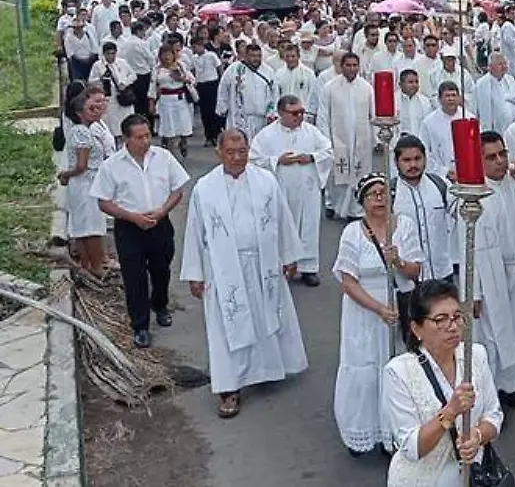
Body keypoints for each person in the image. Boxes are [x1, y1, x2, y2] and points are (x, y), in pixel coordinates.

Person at [180, 129, 308, 419]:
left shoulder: (265, 180)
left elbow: (282, 219)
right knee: (228, 326)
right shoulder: (205, 188)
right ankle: (229, 388)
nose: (237, 158)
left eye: (242, 151)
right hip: (224, 270)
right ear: (219, 152)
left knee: (266, 316)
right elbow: (194, 233)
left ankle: (267, 369)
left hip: (263, 264)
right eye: (231, 152)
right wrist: (195, 273)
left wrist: (289, 256)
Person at [381, 279, 504, 487]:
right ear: (417, 329)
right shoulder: (398, 372)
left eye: (457, 317)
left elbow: (494, 415)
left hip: (473, 476)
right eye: (440, 320)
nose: (452, 326)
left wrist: (477, 435)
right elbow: (412, 448)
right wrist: (450, 412)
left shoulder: (476, 355)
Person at [333, 174, 424, 457]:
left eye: (384, 193)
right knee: (363, 372)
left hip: (398, 306)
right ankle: (361, 430)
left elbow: (414, 271)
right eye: (373, 194)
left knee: (395, 370)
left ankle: (393, 433)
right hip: (365, 311)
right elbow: (347, 282)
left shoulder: (404, 226)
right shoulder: (352, 233)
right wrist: (378, 309)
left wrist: (397, 259)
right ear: (362, 201)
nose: (380, 199)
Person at [92, 114, 190, 349]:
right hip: (129, 227)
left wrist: (162, 211)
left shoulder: (163, 158)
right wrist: (132, 217)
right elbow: (103, 202)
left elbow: (178, 190)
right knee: (134, 278)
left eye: (148, 135)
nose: (145, 141)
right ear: (126, 138)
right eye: (139, 137)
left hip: (159, 223)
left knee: (161, 270)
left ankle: (160, 304)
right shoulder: (112, 166)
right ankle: (140, 325)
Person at [475, 131, 515, 407]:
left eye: (503, 154)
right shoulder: (475, 194)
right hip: (492, 276)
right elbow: (467, 247)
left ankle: (512, 385)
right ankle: (493, 390)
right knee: (494, 333)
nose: (499, 161)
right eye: (491, 157)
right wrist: (473, 292)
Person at [251, 95, 334, 286]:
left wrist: (312, 157)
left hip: (307, 189)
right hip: (281, 189)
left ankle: (308, 268)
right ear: (281, 113)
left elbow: (328, 151)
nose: (299, 117)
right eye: (294, 113)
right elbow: (254, 159)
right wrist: (277, 160)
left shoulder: (311, 132)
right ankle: (283, 266)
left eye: (302, 112)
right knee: (282, 226)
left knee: (308, 226)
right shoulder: (266, 135)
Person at [59, 88, 116, 276]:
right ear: (79, 113)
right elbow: (82, 165)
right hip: (86, 182)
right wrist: (66, 175)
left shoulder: (83, 130)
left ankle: (88, 265)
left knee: (83, 226)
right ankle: (96, 267)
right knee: (91, 227)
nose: (95, 110)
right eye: (90, 108)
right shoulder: (82, 132)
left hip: (85, 182)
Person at [317, 51, 375, 220]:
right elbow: (323, 115)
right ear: (341, 67)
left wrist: (375, 138)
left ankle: (355, 210)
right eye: (348, 65)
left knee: (359, 174)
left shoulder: (366, 88)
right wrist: (325, 140)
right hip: (337, 137)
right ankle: (332, 204)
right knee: (337, 175)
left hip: (360, 139)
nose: (351, 69)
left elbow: (373, 114)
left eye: (354, 65)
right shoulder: (330, 88)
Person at [392, 135, 457, 284]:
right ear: (396, 162)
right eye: (407, 160)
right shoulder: (391, 193)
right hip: (406, 278)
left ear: (425, 159)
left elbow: (460, 213)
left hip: (441, 273)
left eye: (417, 158)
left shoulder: (440, 185)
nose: (413, 165)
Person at [216, 43, 278, 140]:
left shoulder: (268, 71)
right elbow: (223, 89)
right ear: (245, 56)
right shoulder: (234, 69)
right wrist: (222, 109)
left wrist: (274, 112)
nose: (256, 59)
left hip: (262, 119)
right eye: (253, 56)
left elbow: (275, 92)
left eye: (258, 56)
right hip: (239, 117)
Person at [149, 44, 196, 158]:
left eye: (169, 54)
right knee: (168, 125)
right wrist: (152, 102)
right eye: (164, 54)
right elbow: (152, 87)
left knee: (183, 123)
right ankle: (169, 151)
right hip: (166, 100)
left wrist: (181, 78)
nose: (167, 57)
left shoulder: (181, 66)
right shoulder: (157, 69)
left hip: (180, 98)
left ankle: (183, 141)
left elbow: (192, 80)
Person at [420, 81, 475, 179]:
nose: (451, 99)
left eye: (454, 95)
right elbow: (424, 151)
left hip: (468, 172)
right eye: (447, 96)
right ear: (439, 99)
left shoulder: (469, 119)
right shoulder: (428, 122)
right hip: (440, 176)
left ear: (459, 98)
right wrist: (444, 172)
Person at [89, 42, 135, 143]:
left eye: (113, 53)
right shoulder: (98, 65)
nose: (111, 56)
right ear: (104, 54)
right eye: (109, 54)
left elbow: (133, 75)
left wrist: (125, 83)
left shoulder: (122, 62)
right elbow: (91, 82)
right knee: (112, 125)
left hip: (123, 96)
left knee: (126, 121)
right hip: (109, 98)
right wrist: (101, 79)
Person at [473, 53, 515, 133]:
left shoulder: (510, 80)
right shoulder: (481, 85)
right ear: (490, 67)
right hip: (494, 130)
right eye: (500, 64)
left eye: (505, 63)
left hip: (512, 127)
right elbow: (478, 110)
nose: (504, 67)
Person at [190, 35, 223, 146]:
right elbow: (193, 71)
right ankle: (208, 136)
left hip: (212, 84)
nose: (194, 50)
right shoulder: (194, 58)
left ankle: (216, 135)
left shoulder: (211, 55)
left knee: (214, 111)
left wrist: (220, 81)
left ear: (201, 46)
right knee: (204, 113)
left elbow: (219, 68)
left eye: (195, 47)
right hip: (201, 85)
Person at [394, 68, 434, 142]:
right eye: (410, 82)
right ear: (400, 84)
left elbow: (428, 126)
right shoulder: (393, 101)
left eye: (416, 82)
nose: (414, 85)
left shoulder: (425, 101)